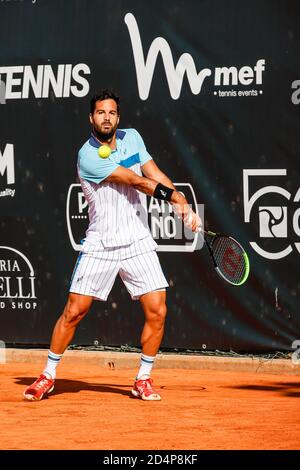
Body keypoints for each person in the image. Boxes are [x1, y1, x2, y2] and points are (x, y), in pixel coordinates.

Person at [23, 89, 201, 402]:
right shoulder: (88, 156)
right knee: (75, 312)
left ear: (118, 117)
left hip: (138, 241)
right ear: (91, 117)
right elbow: (136, 182)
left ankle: (142, 379)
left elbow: (152, 172)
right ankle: (47, 375)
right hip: (100, 243)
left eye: (112, 113)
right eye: (101, 113)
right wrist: (175, 197)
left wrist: (182, 204)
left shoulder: (133, 138)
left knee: (158, 311)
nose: (107, 117)